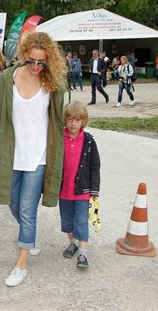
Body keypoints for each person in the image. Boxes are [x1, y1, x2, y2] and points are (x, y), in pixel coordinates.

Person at [0, 32, 66, 287]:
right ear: (24, 56)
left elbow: (58, 122)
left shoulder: (53, 84)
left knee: (27, 211)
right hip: (11, 156)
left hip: (38, 157)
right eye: (33, 61)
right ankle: (31, 235)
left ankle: (21, 264)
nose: (37, 67)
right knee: (13, 205)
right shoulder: (8, 79)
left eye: (43, 62)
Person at [59, 101, 100, 269]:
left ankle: (82, 253)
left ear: (83, 121)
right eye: (69, 119)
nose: (73, 123)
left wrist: (94, 189)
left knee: (81, 221)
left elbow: (94, 166)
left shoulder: (89, 141)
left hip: (82, 190)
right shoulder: (60, 139)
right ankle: (73, 242)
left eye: (77, 120)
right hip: (63, 191)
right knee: (67, 222)